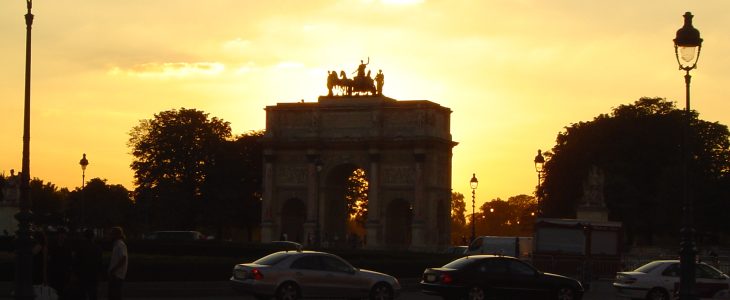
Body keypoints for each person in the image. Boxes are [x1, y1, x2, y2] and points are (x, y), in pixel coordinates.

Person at [74, 229, 102, 300]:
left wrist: (75, 274)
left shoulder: (80, 247)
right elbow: (100, 263)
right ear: (93, 237)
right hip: (93, 275)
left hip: (82, 275)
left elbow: (76, 262)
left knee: (82, 294)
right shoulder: (97, 248)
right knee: (93, 295)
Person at [107, 227, 128, 300]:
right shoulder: (117, 244)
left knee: (115, 295)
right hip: (116, 275)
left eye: (111, 234)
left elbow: (123, 258)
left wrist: (113, 270)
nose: (110, 236)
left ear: (116, 235)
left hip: (117, 275)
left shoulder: (120, 244)